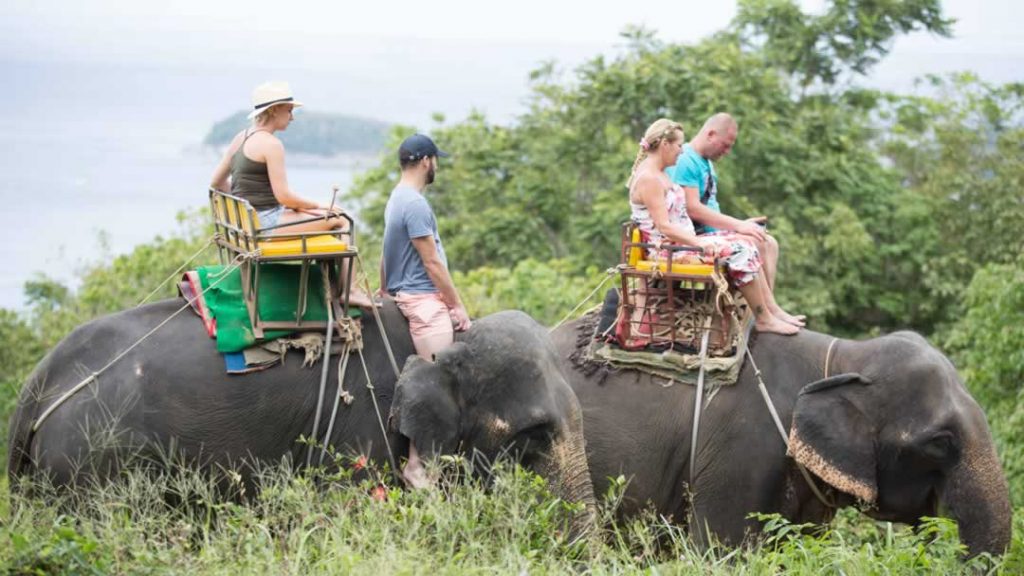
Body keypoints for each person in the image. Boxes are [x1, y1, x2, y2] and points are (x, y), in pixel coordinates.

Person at [628, 118, 798, 336]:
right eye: (679, 145)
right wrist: (699, 242)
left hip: (682, 243)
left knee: (748, 241)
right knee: (740, 250)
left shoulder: (659, 173)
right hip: (669, 250)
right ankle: (764, 319)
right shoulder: (650, 179)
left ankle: (768, 310)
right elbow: (664, 226)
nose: (681, 151)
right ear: (665, 145)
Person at [210, 81, 373, 307]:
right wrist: (321, 205)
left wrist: (242, 208)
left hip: (249, 223)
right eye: (289, 110)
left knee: (324, 214)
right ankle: (350, 291)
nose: (292, 117)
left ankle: (333, 286)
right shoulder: (271, 144)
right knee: (342, 220)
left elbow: (216, 182)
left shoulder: (242, 137)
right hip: (264, 225)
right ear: (274, 109)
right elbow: (284, 197)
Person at [381, 133, 472, 487]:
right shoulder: (416, 205)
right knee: (438, 378)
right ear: (425, 162)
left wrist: (385, 285)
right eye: (436, 160)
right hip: (423, 302)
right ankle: (416, 463)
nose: (437, 166)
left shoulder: (397, 197)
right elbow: (432, 262)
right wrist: (456, 305)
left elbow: (385, 249)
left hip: (404, 291)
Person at [669, 113, 803, 326]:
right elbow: (693, 209)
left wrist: (742, 225)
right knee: (754, 242)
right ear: (711, 134)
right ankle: (765, 313)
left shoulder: (706, 163)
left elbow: (710, 207)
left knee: (769, 242)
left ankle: (766, 307)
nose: (727, 151)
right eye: (726, 145)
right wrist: (738, 226)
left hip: (714, 231)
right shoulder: (686, 159)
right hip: (697, 234)